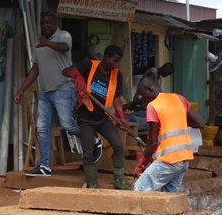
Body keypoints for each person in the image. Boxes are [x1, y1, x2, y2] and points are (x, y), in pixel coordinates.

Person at [14, 11, 90, 176]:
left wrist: (47, 43)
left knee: (67, 124)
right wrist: (22, 90)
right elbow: (35, 69)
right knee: (42, 128)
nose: (45, 25)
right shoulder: (39, 44)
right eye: (43, 23)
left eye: (49, 23)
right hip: (46, 92)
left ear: (56, 24)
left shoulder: (64, 35)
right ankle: (45, 167)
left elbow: (64, 48)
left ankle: (91, 139)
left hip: (63, 88)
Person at [64, 45, 130, 189]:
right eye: (114, 60)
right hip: (86, 118)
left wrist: (122, 117)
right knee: (88, 153)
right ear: (106, 58)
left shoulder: (117, 75)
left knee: (118, 145)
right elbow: (66, 71)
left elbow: (117, 99)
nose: (116, 64)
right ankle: (92, 184)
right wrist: (78, 76)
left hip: (103, 118)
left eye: (118, 62)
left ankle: (120, 181)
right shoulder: (90, 65)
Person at [132, 75, 205, 192]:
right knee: (169, 199)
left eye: (144, 96)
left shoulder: (153, 106)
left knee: (140, 190)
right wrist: (176, 118)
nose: (144, 101)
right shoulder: (179, 99)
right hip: (182, 161)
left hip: (167, 161)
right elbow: (200, 123)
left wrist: (141, 165)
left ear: (150, 89)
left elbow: (152, 142)